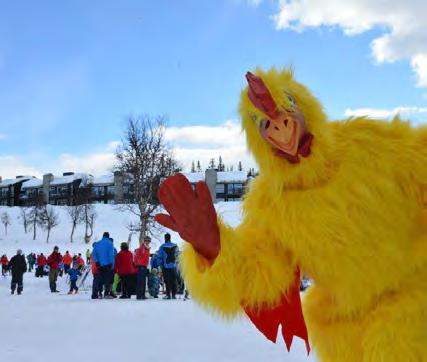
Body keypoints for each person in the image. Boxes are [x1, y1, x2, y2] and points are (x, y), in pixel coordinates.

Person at [92, 232, 115, 299]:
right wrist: (112, 264)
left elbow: (94, 254)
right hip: (108, 264)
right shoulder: (110, 243)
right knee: (107, 279)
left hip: (99, 265)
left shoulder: (97, 243)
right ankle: (106, 294)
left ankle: (99, 293)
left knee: (100, 279)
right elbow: (111, 254)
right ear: (108, 237)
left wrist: (96, 262)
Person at [157, 233, 179, 299]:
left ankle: (168, 295)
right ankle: (174, 295)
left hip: (165, 266)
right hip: (174, 266)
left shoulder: (162, 246)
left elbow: (160, 257)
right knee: (174, 280)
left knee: (167, 280)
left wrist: (160, 265)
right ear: (170, 238)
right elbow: (178, 255)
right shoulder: (175, 246)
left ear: (165, 238)